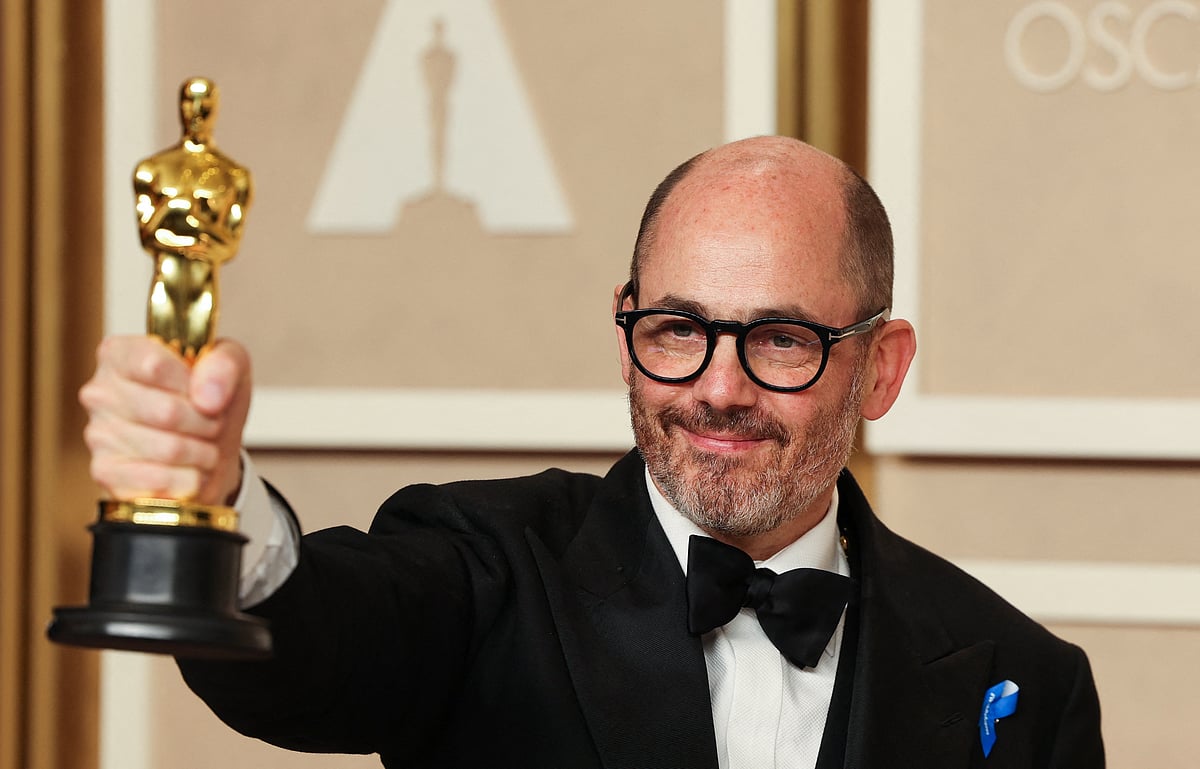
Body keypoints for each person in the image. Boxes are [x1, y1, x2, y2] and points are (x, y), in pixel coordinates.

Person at [80, 136, 1105, 768]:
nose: (717, 387)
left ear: (880, 367)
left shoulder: (1025, 681)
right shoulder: (482, 566)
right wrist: (212, 500)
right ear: (625, 329)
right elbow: (315, 645)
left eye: (781, 338)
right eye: (677, 327)